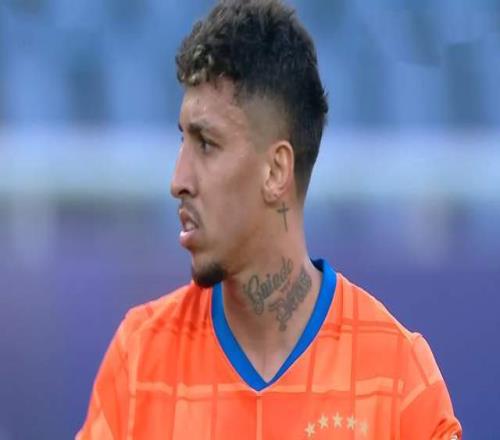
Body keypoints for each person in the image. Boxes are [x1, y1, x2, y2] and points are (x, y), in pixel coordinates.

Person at [77, 0, 462, 438]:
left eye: (206, 144)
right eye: (183, 140)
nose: (178, 180)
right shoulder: (139, 361)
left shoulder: (398, 379)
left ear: (276, 171)